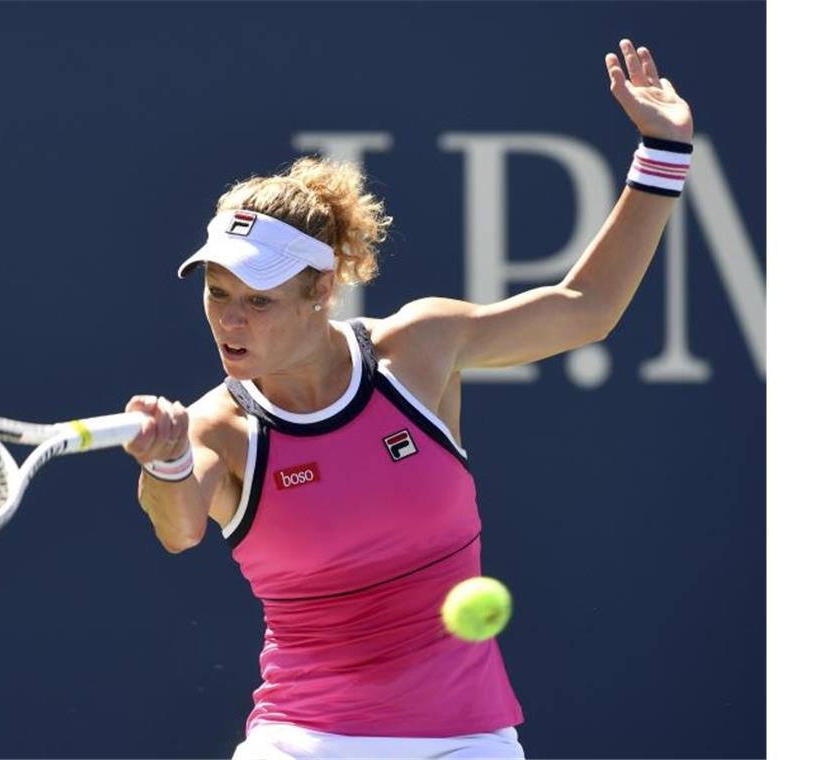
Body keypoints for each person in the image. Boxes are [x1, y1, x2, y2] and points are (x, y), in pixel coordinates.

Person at [121, 39, 693, 759]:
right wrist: (168, 462)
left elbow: (586, 306)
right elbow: (178, 530)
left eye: (258, 301)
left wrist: (664, 152)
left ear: (321, 292)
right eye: (217, 294)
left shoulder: (420, 349)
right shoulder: (220, 428)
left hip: (469, 741)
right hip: (302, 742)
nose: (230, 320)